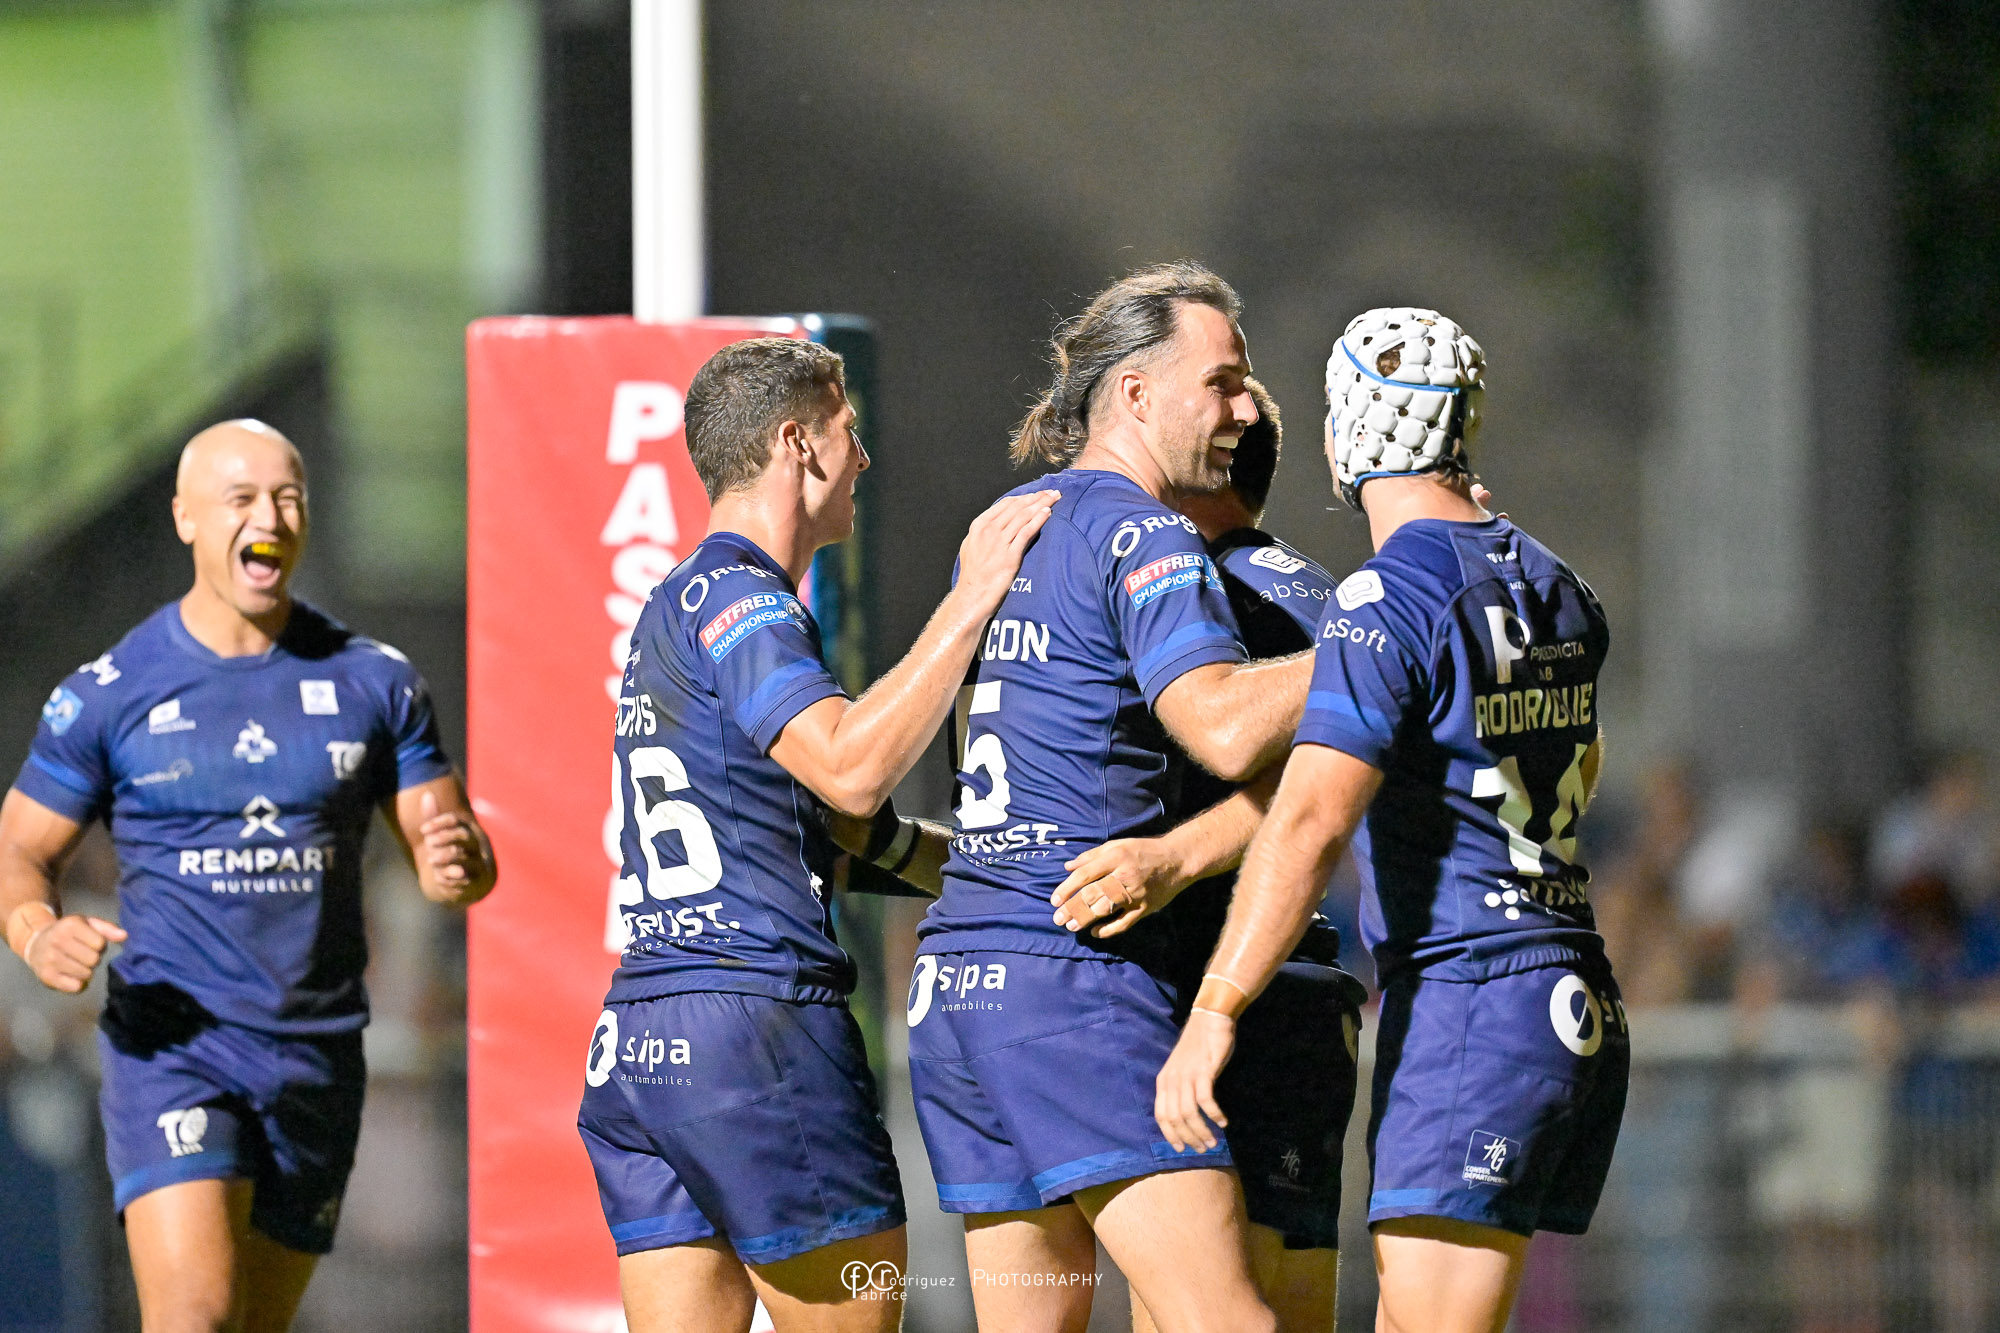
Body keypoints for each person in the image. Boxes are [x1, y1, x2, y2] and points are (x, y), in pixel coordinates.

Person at [1155, 308, 1625, 1333]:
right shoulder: (1558, 581)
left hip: (1471, 998)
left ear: (1345, 437)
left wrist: (1215, 1008)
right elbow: (1571, 766)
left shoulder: (1384, 597)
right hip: (1571, 991)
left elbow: (1310, 823)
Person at [577, 336, 1057, 1333]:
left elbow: (830, 829)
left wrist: (1007, 870)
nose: (864, 458)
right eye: (850, 432)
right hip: (756, 1030)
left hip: (645, 1041)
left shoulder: (676, 602)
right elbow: (849, 769)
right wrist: (971, 597)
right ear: (796, 443)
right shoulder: (744, 598)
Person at [0, 419, 495, 1333]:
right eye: (240, 499)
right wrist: (37, 931)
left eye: (286, 497)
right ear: (186, 517)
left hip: (316, 1056)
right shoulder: (110, 691)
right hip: (175, 1048)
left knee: (251, 1325)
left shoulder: (374, 683)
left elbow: (451, 852)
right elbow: (21, 850)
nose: (268, 517)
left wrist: (456, 860)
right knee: (196, 1315)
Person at [907, 262, 1316, 1333]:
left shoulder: (1005, 523)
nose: (1245, 409)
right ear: (1134, 392)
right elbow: (1222, 726)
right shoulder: (1145, 532)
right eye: (1222, 381)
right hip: (1072, 977)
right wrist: (1380, 638)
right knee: (1226, 1320)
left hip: (959, 983)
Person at [1051, 379, 1365, 1333]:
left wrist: (1175, 858)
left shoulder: (1208, 589)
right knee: (1286, 1306)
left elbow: (1302, 784)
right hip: (1304, 983)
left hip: (1216, 988)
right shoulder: (1323, 589)